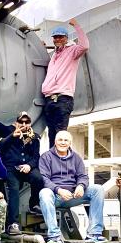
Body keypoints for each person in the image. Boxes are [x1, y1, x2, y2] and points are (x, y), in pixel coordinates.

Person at [0, 102, 43, 234]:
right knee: (13, 189)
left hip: (27, 168)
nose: (24, 125)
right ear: (17, 123)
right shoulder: (8, 131)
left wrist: (29, 166)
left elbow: (36, 157)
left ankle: (34, 204)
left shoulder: (34, 137)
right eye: (21, 122)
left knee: (38, 178)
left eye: (27, 122)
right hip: (11, 168)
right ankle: (12, 223)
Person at [39, 130, 106, 243]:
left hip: (73, 195)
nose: (63, 143)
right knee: (44, 193)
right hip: (55, 196)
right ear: (55, 142)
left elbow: (83, 176)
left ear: (70, 143)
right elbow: (44, 179)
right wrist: (59, 190)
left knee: (97, 189)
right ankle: (54, 236)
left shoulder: (76, 158)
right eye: (60, 140)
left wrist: (81, 186)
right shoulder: (46, 157)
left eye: (66, 140)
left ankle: (94, 234)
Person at [41, 18, 89, 149]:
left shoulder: (72, 51)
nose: (57, 39)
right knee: (51, 134)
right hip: (49, 99)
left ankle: (61, 162)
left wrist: (76, 26)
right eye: (55, 37)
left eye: (60, 37)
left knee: (60, 134)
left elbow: (84, 46)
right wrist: (42, 49)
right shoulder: (54, 57)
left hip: (63, 99)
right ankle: (52, 163)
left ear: (66, 38)